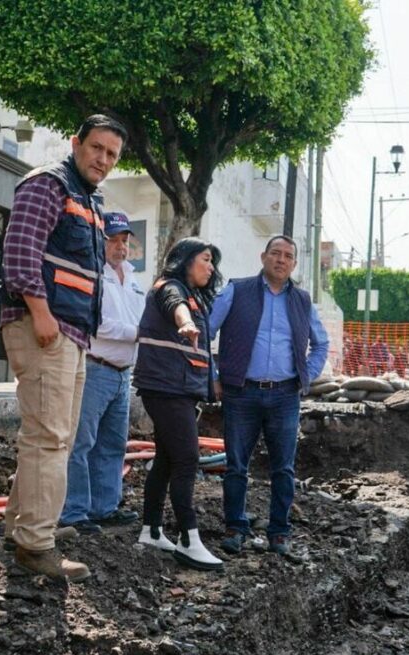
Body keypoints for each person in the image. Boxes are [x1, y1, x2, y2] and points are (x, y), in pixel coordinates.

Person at [0, 114, 125, 582]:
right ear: (75, 143)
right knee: (48, 438)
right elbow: (19, 252)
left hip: (70, 334)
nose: (104, 160)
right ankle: (35, 544)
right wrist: (40, 311)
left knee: (55, 438)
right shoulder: (48, 184)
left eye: (112, 154)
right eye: (97, 148)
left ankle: (27, 526)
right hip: (45, 328)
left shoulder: (87, 200)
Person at [210, 235, 329, 556]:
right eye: (275, 253)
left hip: (284, 396)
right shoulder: (237, 290)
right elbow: (204, 333)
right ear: (263, 257)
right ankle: (235, 528)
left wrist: (307, 377)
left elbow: (321, 344)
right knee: (236, 466)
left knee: (284, 469)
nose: (281, 259)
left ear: (293, 264)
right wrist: (213, 376)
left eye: (288, 256)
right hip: (241, 393)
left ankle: (279, 532)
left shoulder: (302, 301)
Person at [132, 237, 224, 571]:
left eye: (213, 261)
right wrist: (184, 321)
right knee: (188, 457)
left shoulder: (196, 297)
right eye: (205, 259)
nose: (210, 267)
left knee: (168, 459)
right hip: (166, 387)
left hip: (178, 388)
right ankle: (188, 539)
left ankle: (152, 529)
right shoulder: (168, 288)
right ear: (184, 259)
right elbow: (175, 305)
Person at [58, 211, 144, 534]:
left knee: (112, 444)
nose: (120, 247)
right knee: (81, 442)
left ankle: (104, 507)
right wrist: (138, 333)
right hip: (96, 369)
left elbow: (144, 321)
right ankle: (75, 511)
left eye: (124, 240)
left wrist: (142, 332)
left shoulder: (133, 279)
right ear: (100, 240)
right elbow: (99, 324)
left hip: (123, 374)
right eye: (114, 239)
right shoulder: (92, 275)